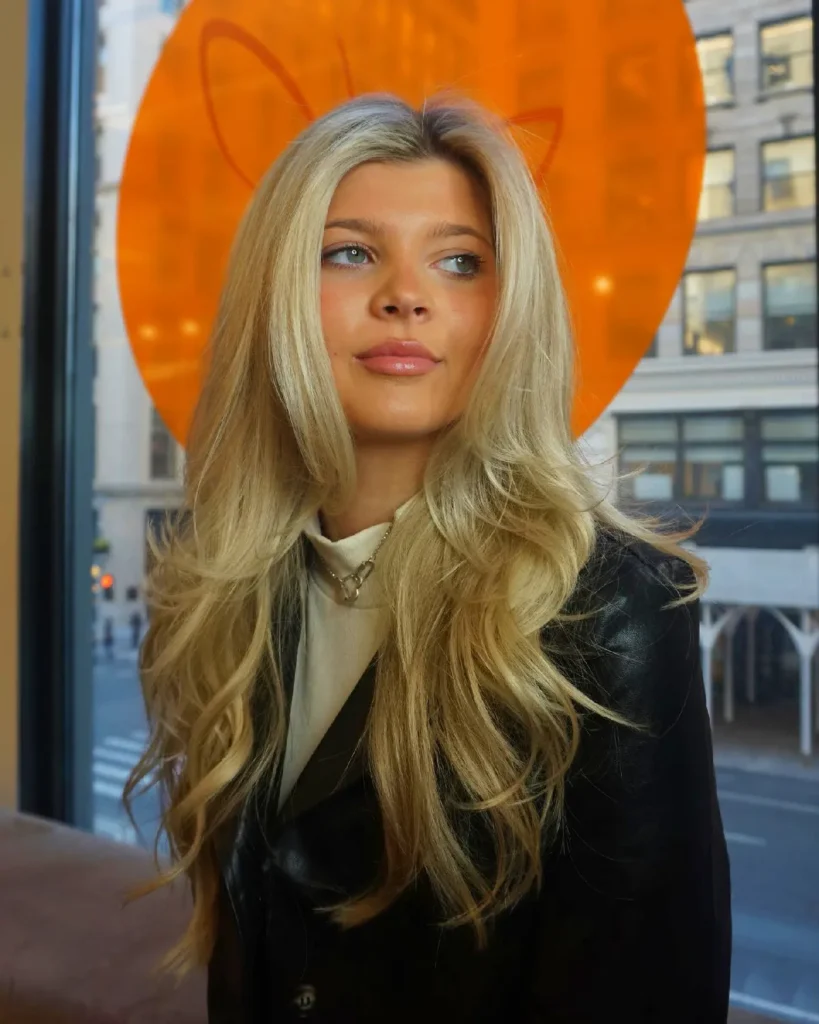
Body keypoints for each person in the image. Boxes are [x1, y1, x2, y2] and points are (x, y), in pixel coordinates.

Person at [124, 92, 732, 1022]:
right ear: (278, 292)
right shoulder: (233, 584)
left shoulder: (608, 606)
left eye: (459, 262)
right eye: (350, 251)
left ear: (508, 311)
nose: (405, 295)